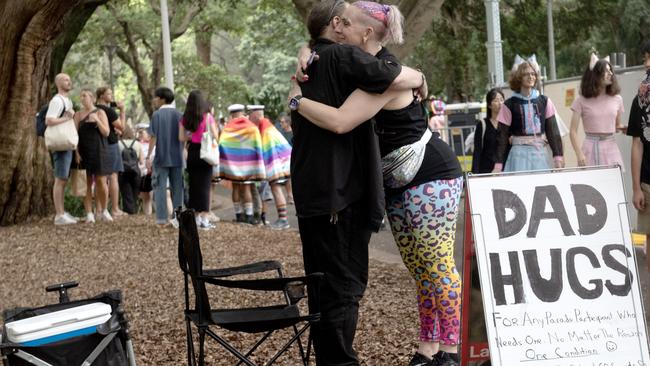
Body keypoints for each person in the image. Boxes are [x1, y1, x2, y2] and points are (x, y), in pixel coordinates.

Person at [289, 2, 461, 365]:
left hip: (429, 173)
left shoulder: (385, 76)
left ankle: (450, 348)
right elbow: (322, 52)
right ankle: (428, 347)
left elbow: (340, 120)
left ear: (365, 34)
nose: (338, 29)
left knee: (438, 265)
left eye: (346, 24)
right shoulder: (368, 70)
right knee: (420, 268)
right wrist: (305, 52)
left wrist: (297, 101)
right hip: (396, 180)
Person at [492, 60, 564, 173]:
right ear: (519, 77)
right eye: (526, 74)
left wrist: (558, 157)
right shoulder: (509, 104)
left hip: (540, 155)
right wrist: (498, 165)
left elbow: (552, 131)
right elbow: (502, 136)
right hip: (518, 157)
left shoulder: (545, 101)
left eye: (533, 74)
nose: (530, 77)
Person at [570, 54, 625, 168]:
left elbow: (617, 126)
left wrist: (627, 128)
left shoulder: (617, 99)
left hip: (611, 150)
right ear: (595, 75)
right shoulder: (581, 101)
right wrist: (579, 154)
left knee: (612, 184)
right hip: (589, 151)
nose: (610, 73)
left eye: (611, 71)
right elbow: (573, 131)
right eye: (606, 71)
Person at [218, 104, 265, 224]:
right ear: (242, 112)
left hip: (233, 164)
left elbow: (222, 143)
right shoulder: (251, 127)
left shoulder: (227, 127)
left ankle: (239, 215)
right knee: (246, 187)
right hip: (248, 164)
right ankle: (249, 216)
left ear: (231, 114)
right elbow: (257, 144)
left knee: (235, 188)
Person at [248, 105, 292, 230]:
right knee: (275, 187)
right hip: (283, 160)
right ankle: (282, 219)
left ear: (255, 115)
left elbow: (268, 151)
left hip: (278, 161)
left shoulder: (265, 128)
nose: (249, 117)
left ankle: (283, 220)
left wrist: (269, 173)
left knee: (275, 187)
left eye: (250, 114)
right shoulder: (265, 125)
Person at [179, 90, 219, 229]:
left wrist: (191, 137)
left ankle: (195, 217)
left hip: (192, 153)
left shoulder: (185, 118)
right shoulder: (207, 117)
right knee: (205, 186)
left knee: (194, 185)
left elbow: (181, 138)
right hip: (205, 153)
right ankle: (205, 219)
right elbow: (215, 136)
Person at [145, 87, 184, 227]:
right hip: (178, 158)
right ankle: (178, 219)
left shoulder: (156, 115)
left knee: (160, 188)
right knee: (178, 188)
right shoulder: (180, 115)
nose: (154, 100)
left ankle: (161, 219)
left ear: (162, 98)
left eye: (156, 97)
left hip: (161, 157)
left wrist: (148, 155)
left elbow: (153, 137)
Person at [627, 40, 650, 271]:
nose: (646, 64)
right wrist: (636, 187)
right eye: (645, 59)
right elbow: (637, 144)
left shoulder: (641, 96)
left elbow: (637, 143)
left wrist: (637, 187)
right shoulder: (640, 100)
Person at [74, 89, 111, 223]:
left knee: (101, 181)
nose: (82, 98)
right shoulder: (78, 115)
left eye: (85, 96)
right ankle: (89, 213)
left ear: (92, 98)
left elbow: (106, 132)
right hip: (83, 151)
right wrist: (76, 152)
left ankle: (104, 210)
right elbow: (74, 136)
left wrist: (97, 120)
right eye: (81, 96)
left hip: (99, 150)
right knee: (86, 183)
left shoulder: (100, 112)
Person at [46, 73, 78, 225]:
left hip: (66, 143)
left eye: (69, 79)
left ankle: (62, 212)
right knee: (60, 179)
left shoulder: (68, 100)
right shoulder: (57, 100)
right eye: (65, 79)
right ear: (58, 83)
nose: (69, 81)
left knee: (63, 178)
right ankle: (59, 215)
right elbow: (49, 120)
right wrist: (67, 118)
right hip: (60, 144)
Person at [96, 87, 126, 216]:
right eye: (109, 94)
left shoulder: (93, 109)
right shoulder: (108, 110)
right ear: (102, 96)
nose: (112, 96)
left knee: (100, 177)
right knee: (113, 176)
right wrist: (122, 111)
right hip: (111, 145)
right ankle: (114, 209)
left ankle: (99, 209)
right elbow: (122, 127)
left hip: (98, 145)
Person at [472, 88, 506, 173]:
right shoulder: (483, 124)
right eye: (496, 100)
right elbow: (477, 151)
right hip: (486, 170)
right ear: (489, 105)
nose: (500, 103)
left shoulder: (508, 124)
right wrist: (475, 173)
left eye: (502, 100)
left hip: (505, 170)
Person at [118, 126, 144, 214]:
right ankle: (133, 211)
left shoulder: (119, 143)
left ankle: (129, 212)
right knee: (134, 194)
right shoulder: (137, 144)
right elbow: (141, 161)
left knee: (126, 194)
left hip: (123, 172)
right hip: (135, 172)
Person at [136, 125, 153, 215]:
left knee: (152, 196)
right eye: (139, 132)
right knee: (145, 197)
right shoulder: (137, 144)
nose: (140, 134)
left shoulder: (153, 144)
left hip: (152, 173)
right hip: (142, 173)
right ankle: (147, 215)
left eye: (142, 132)